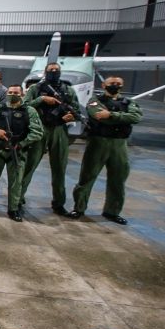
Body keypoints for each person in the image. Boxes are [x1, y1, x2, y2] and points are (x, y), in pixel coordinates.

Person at [70, 77, 143, 224]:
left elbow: (135, 117)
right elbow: (97, 115)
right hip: (98, 142)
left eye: (118, 84)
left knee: (118, 179)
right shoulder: (95, 101)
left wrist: (111, 115)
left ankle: (112, 211)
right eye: (112, 84)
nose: (115, 86)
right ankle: (79, 208)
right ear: (104, 85)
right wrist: (122, 118)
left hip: (119, 144)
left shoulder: (129, 102)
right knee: (87, 177)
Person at [21, 63, 81, 216]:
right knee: (29, 165)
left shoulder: (68, 90)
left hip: (59, 129)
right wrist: (41, 99)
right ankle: (18, 198)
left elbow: (76, 108)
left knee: (60, 168)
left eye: (56, 70)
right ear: (45, 72)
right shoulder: (35, 89)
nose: (54, 72)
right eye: (50, 70)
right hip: (40, 128)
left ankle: (59, 203)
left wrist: (71, 116)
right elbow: (25, 106)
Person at [0, 85, 43, 221]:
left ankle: (13, 209)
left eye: (16, 93)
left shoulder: (29, 111)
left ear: (22, 94)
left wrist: (22, 144)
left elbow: (37, 132)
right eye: (10, 92)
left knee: (16, 182)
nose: (13, 94)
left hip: (17, 152)